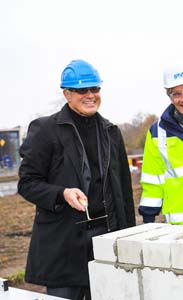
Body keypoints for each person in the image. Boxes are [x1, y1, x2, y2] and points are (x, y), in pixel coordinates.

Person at [18, 59, 136, 300]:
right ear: (67, 94)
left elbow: (123, 191)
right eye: (83, 90)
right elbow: (27, 183)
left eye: (95, 89)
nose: (90, 95)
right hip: (63, 249)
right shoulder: (45, 130)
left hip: (105, 243)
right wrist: (61, 193)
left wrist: (128, 241)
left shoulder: (110, 131)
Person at [139, 63, 183, 224]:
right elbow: (153, 178)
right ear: (170, 97)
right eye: (176, 94)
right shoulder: (157, 131)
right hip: (177, 226)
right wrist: (148, 218)